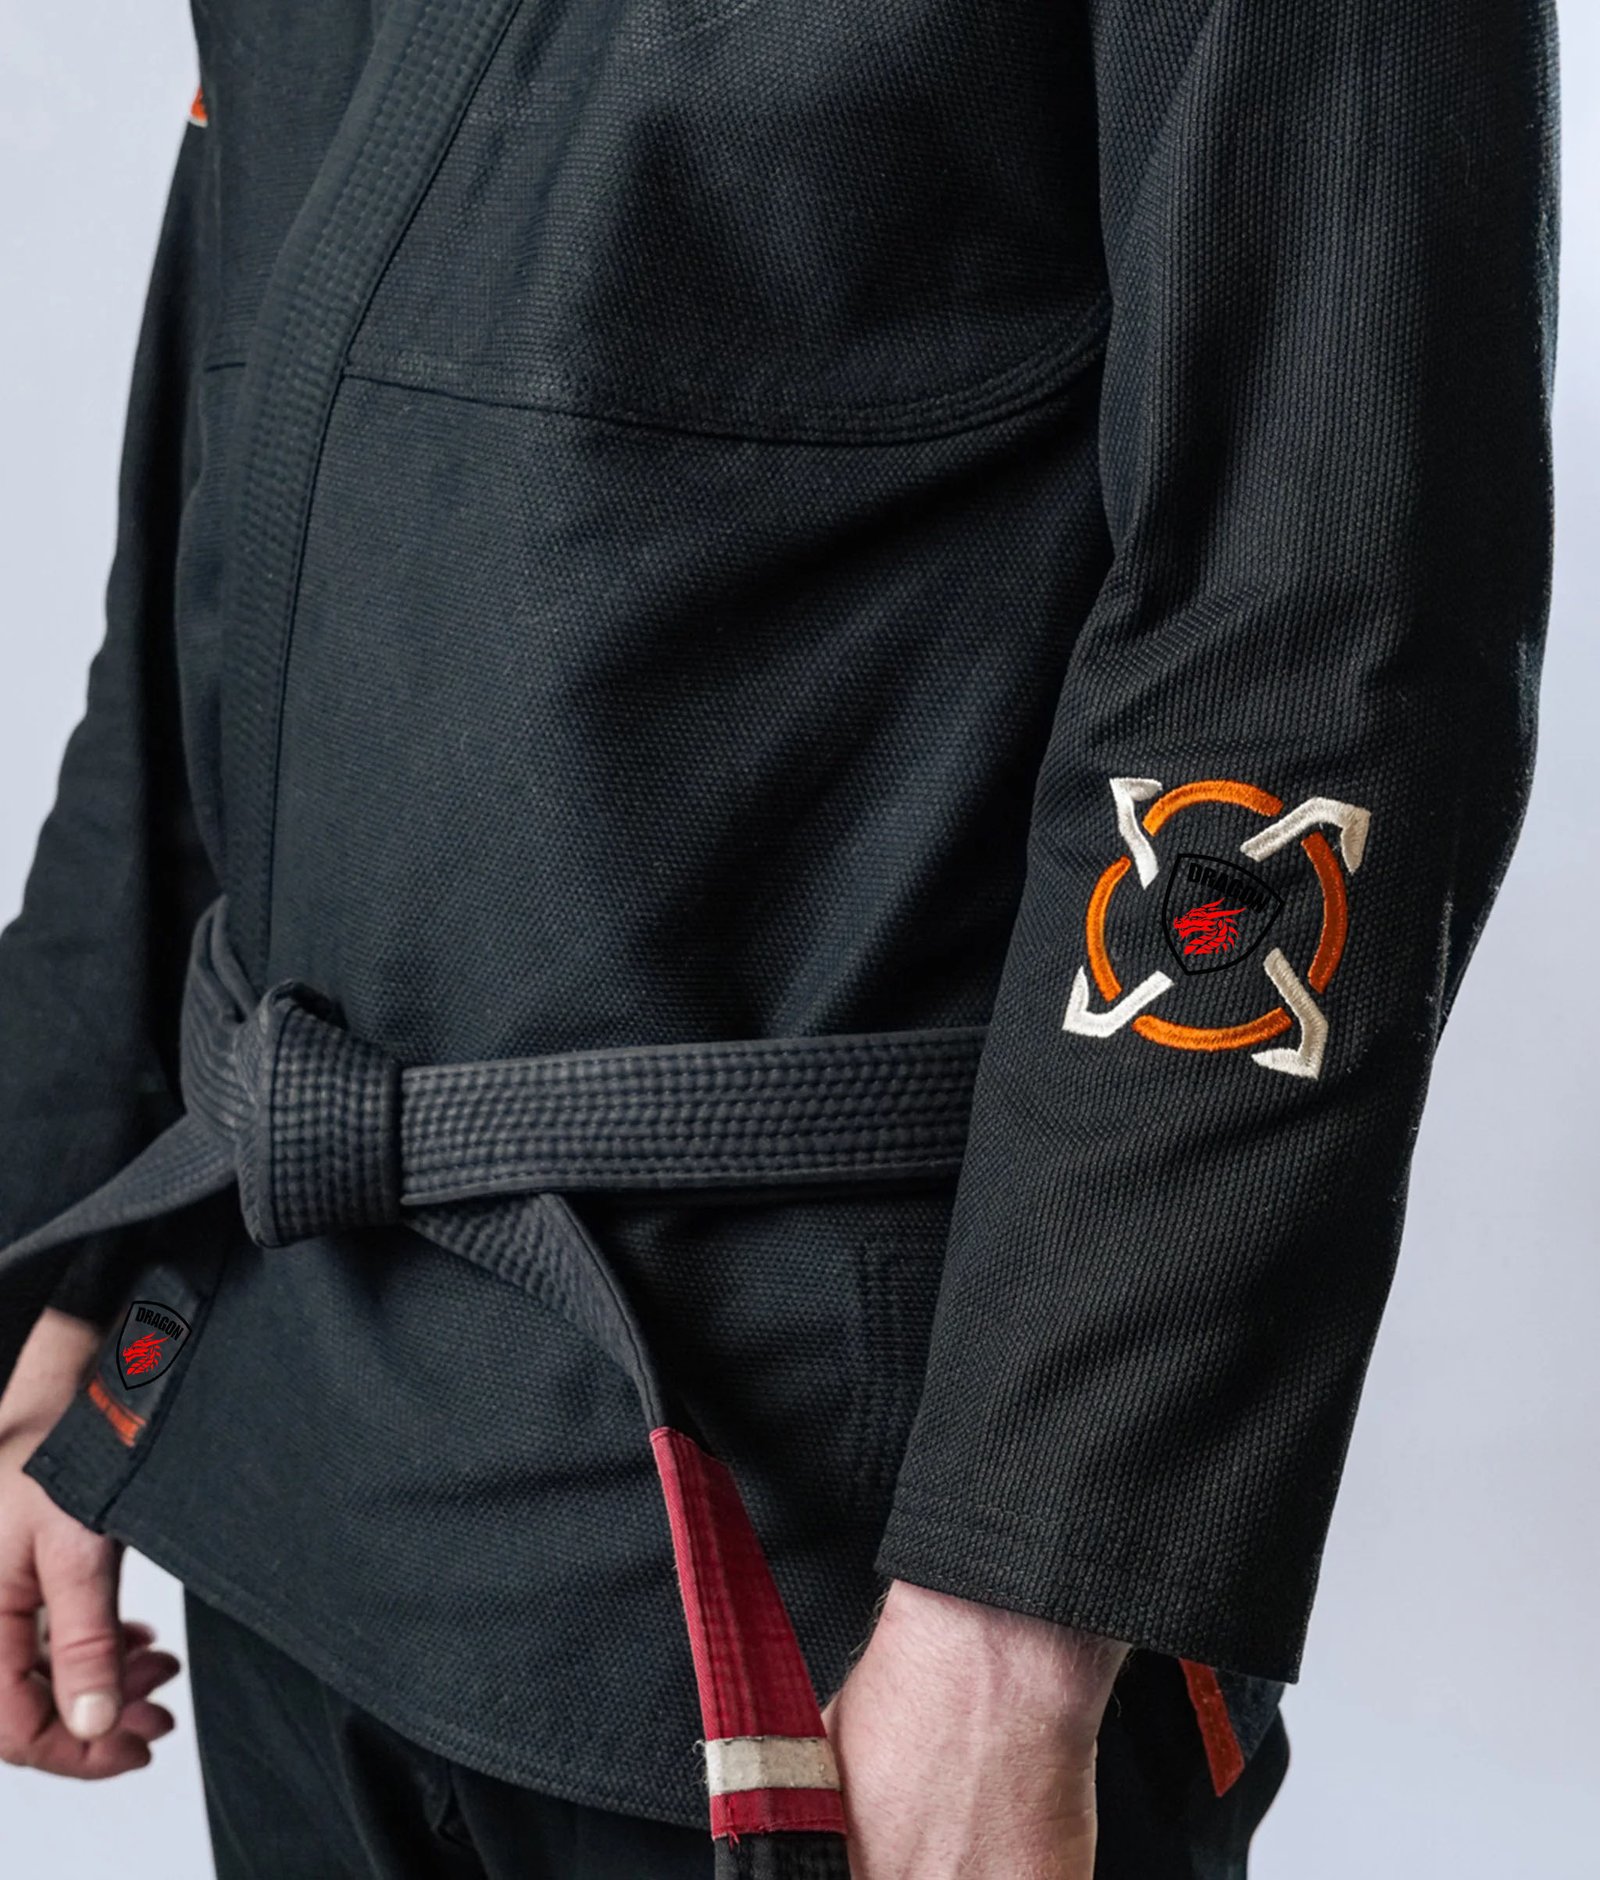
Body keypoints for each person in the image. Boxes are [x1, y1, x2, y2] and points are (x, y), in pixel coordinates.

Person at [0, 1, 1559, 1875]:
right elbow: (224, 497)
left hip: (835, 1591)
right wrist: (70, 1246)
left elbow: (1317, 632)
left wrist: (1023, 1611)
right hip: (282, 1440)